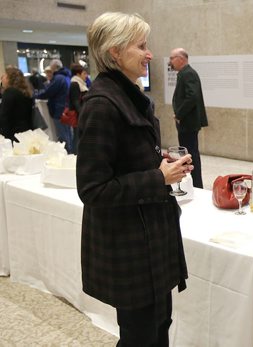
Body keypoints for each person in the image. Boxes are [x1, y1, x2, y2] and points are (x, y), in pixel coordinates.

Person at [77, 12, 191, 346]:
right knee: (140, 335)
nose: (149, 54)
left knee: (159, 325)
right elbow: (93, 189)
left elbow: (127, 161)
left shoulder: (128, 95)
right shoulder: (101, 104)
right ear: (114, 52)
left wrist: (160, 161)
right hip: (130, 245)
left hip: (151, 239)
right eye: (141, 46)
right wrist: (158, 178)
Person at [169, 47, 208, 189]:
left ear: (180, 58)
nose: (170, 62)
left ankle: (196, 186)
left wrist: (179, 114)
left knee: (190, 156)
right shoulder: (184, 73)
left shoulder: (188, 73)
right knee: (189, 154)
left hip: (188, 123)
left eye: (172, 58)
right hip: (187, 122)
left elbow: (192, 96)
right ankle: (194, 185)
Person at [37, 59, 72, 153]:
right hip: (66, 108)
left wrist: (36, 95)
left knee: (63, 136)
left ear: (55, 67)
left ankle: (66, 156)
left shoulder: (58, 78)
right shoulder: (66, 76)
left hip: (59, 110)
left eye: (51, 67)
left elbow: (49, 92)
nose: (51, 70)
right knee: (68, 134)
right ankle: (70, 154)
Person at [0, 66, 34, 141]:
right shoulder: (26, 92)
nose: (1, 78)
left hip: (13, 134)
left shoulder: (9, 92)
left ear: (10, 78)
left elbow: (4, 117)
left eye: (4, 76)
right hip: (26, 131)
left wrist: (6, 137)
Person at [68, 63, 88, 153]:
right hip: (78, 115)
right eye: (84, 73)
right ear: (78, 74)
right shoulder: (75, 84)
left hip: (80, 113)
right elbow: (75, 101)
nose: (86, 76)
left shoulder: (80, 84)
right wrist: (82, 113)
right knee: (77, 136)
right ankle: (74, 155)